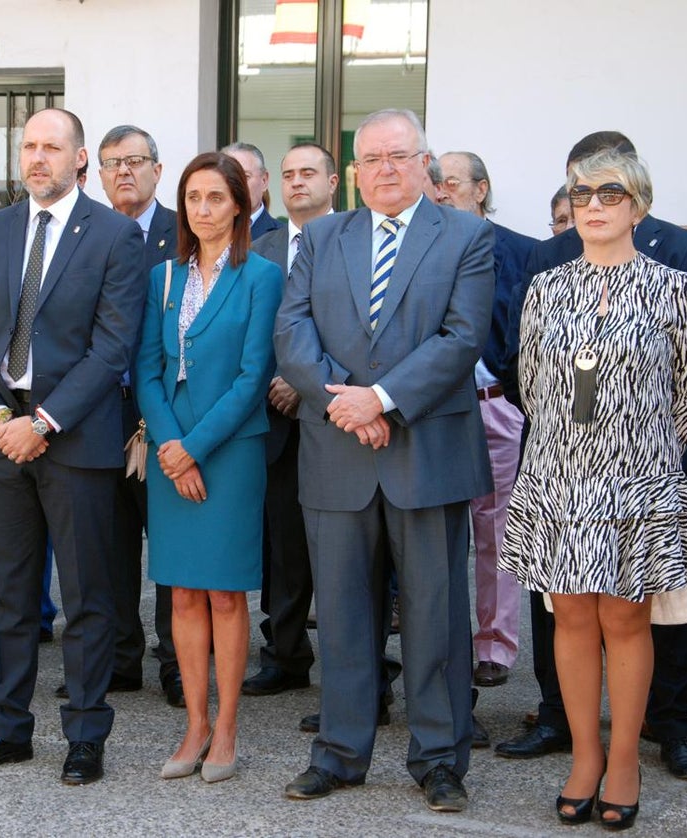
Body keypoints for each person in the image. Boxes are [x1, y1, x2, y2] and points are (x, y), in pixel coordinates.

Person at [274, 109, 494, 811]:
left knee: (434, 614)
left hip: (425, 451)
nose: (385, 170)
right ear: (355, 171)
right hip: (337, 450)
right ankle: (339, 753)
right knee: (340, 613)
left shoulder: (465, 235)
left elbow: (461, 339)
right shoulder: (323, 235)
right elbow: (293, 328)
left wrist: (383, 400)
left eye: (399, 156)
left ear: (424, 162)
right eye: (371, 159)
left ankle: (439, 759)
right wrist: (349, 402)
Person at [497, 132, 687, 785]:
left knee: (625, 616)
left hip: (639, 477)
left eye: (610, 192)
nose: (594, 205)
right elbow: (532, 387)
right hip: (561, 476)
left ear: (637, 205)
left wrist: (636, 452)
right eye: (581, 193)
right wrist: (577, 450)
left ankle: (623, 762)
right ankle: (585, 758)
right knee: (570, 613)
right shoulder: (547, 287)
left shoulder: (673, 287)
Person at [0, 108, 145, 785]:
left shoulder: (115, 235)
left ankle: (86, 734)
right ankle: (8, 728)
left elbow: (113, 345)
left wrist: (46, 420)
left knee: (88, 595)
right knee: (8, 593)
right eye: (29, 146)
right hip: (1, 436)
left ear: (79, 158)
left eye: (52, 147)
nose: (38, 158)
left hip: (76, 438)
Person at [136, 151, 282, 783]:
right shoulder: (162, 278)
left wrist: (193, 448)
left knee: (224, 592)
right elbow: (145, 369)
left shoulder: (262, 276)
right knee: (182, 592)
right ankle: (194, 725)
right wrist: (172, 447)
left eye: (215, 198)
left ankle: (226, 730)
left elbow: (254, 378)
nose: (202, 209)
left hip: (230, 451)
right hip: (173, 453)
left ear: (238, 205)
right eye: (193, 198)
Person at [437, 151, 534, 690]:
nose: (442, 191)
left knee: (497, 531)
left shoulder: (519, 251)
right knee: (439, 532)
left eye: (452, 182)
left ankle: (495, 644)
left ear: (481, 189)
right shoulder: (424, 249)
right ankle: (445, 642)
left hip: (495, 402)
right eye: (437, 184)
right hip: (436, 410)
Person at [243, 142, 337, 699]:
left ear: (332, 181)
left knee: (346, 548)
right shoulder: (261, 248)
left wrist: (302, 384)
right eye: (288, 174)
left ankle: (358, 667)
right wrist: (271, 381)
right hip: (275, 422)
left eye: (309, 173)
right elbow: (248, 330)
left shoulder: (355, 238)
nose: (298, 182)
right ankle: (285, 653)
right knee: (282, 545)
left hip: (335, 413)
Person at [95, 123, 182, 707]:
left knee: (171, 541)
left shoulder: (185, 230)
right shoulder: (88, 231)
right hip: (99, 409)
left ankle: (178, 662)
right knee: (107, 542)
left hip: (166, 409)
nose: (123, 171)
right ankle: (120, 657)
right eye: (111, 163)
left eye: (135, 160)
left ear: (157, 168)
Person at [221, 143, 282, 239]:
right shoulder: (201, 233)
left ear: (264, 181)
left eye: (245, 177)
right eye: (229, 178)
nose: (236, 185)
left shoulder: (284, 238)